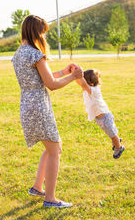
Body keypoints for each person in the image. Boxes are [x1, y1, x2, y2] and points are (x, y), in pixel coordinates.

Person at [12, 15, 83, 208]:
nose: (44, 35)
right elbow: (51, 84)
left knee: (53, 146)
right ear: (36, 31)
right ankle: (50, 199)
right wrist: (74, 77)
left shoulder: (19, 53)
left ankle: (37, 187)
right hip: (39, 106)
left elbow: (44, 76)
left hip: (27, 104)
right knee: (54, 150)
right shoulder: (36, 54)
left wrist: (65, 72)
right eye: (42, 31)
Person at [75, 69, 125, 159]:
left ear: (90, 83)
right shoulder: (88, 90)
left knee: (112, 135)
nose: (81, 85)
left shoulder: (94, 91)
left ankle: (119, 147)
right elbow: (80, 82)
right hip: (100, 118)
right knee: (110, 133)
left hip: (105, 117)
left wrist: (79, 75)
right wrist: (74, 73)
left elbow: (82, 83)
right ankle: (116, 140)